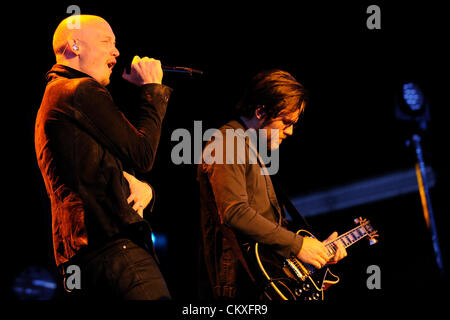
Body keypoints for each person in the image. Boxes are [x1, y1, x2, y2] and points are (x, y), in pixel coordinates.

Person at [35, 15, 172, 299]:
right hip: (113, 249)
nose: (116, 52)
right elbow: (142, 153)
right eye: (107, 42)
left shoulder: (55, 96)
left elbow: (87, 168)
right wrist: (152, 90)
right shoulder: (80, 90)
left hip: (79, 259)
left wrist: (139, 185)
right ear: (75, 46)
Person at [197, 69, 347, 300]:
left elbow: (267, 234)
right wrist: (298, 245)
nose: (290, 130)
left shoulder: (249, 148)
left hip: (263, 280)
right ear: (261, 111)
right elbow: (234, 212)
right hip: (242, 286)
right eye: (286, 122)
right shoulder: (228, 143)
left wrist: (312, 256)